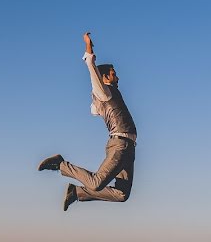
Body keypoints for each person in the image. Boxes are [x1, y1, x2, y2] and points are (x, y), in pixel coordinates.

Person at [38, 31, 137, 210]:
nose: (118, 77)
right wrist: (88, 46)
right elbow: (91, 66)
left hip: (129, 149)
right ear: (105, 77)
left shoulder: (108, 96)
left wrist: (97, 101)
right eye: (114, 74)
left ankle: (76, 193)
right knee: (96, 182)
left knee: (122, 195)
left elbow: (94, 110)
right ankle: (61, 164)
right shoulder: (105, 92)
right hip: (120, 146)